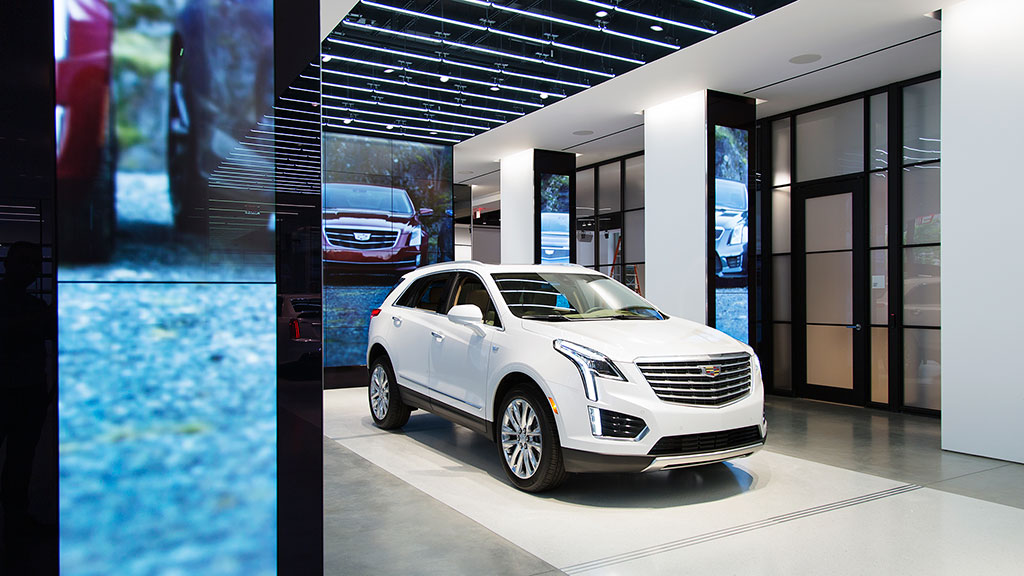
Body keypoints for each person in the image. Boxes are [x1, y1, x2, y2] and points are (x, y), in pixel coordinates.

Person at [0, 241, 54, 547]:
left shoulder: (33, 305)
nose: (31, 269)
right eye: (25, 262)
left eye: (35, 263)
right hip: (12, 393)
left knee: (21, 463)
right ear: (8, 263)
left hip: (29, 393)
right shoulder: (30, 308)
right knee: (20, 462)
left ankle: (16, 521)